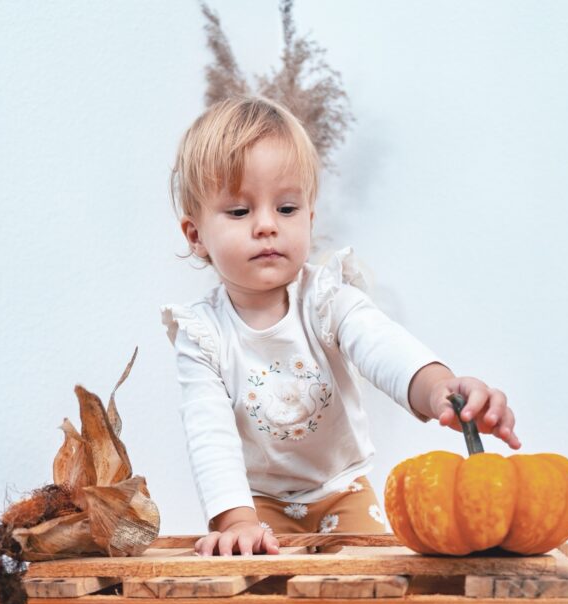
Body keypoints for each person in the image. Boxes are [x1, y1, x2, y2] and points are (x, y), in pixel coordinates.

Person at [163, 97, 520, 557]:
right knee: (259, 594)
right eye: (239, 212)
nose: (267, 225)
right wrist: (236, 520)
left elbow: (383, 348)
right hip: (257, 506)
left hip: (342, 492)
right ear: (196, 236)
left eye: (287, 208)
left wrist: (439, 389)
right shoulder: (202, 335)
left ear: (310, 219)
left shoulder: (327, 299)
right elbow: (208, 431)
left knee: (369, 582)